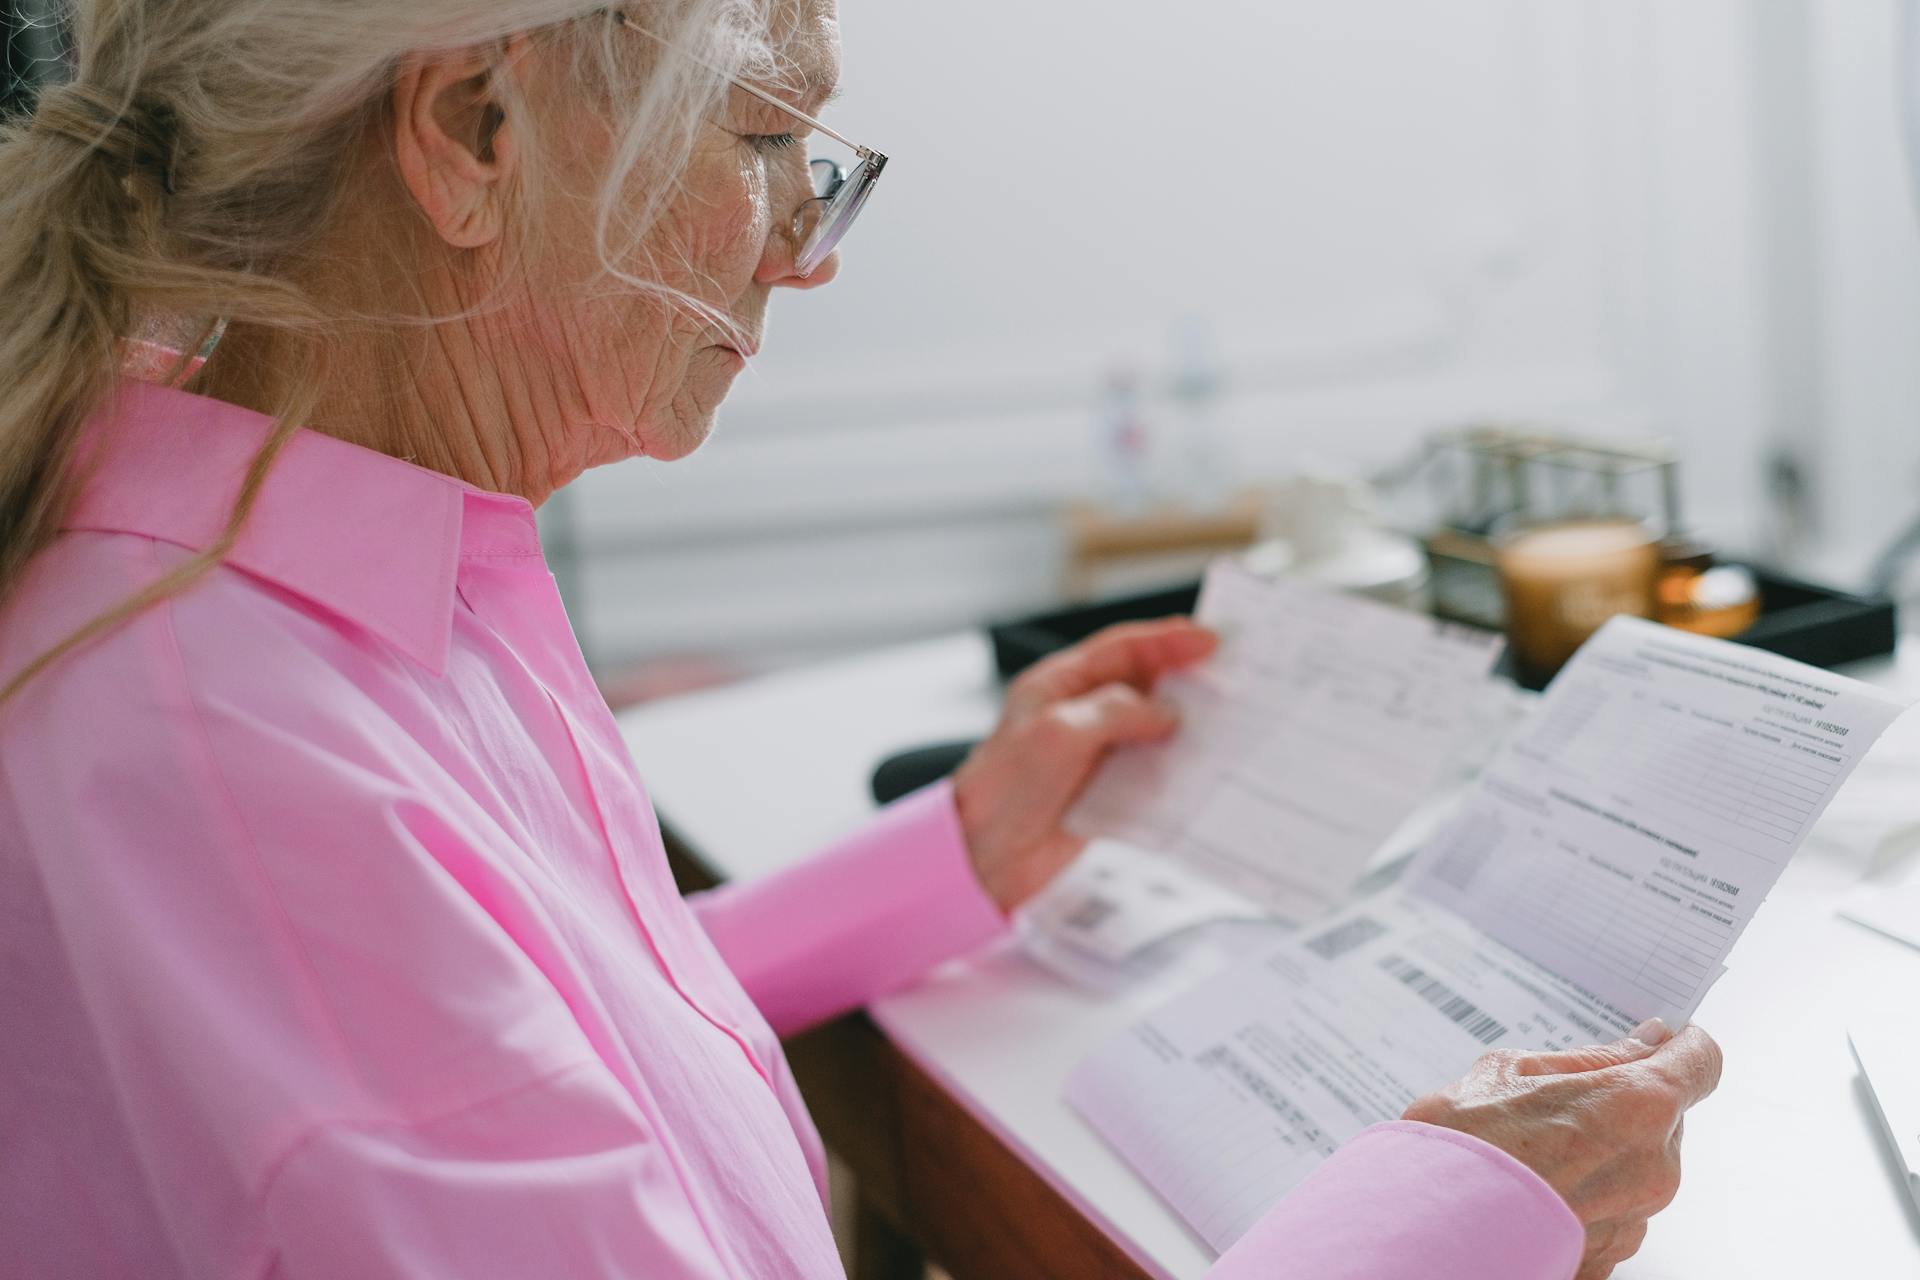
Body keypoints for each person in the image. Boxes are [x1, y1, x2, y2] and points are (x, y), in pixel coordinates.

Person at [0, 2, 1721, 1277]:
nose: (804, 255)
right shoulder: (223, 748)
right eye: (765, 144)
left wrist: (956, 855)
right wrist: (1459, 1215)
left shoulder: (290, 562)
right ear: (471, 132)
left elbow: (513, 1060)